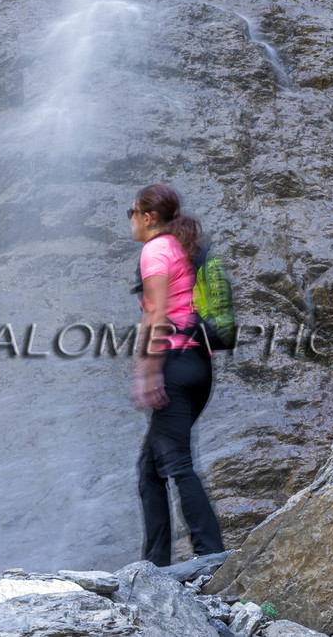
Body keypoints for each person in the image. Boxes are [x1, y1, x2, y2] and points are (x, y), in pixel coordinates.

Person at [130, 183, 225, 566]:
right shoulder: (184, 246)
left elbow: (154, 316)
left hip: (174, 364)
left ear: (149, 216)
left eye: (132, 213)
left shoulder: (155, 248)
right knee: (150, 468)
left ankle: (211, 554)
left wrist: (147, 373)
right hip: (198, 366)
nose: (131, 221)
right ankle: (154, 563)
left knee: (177, 464)